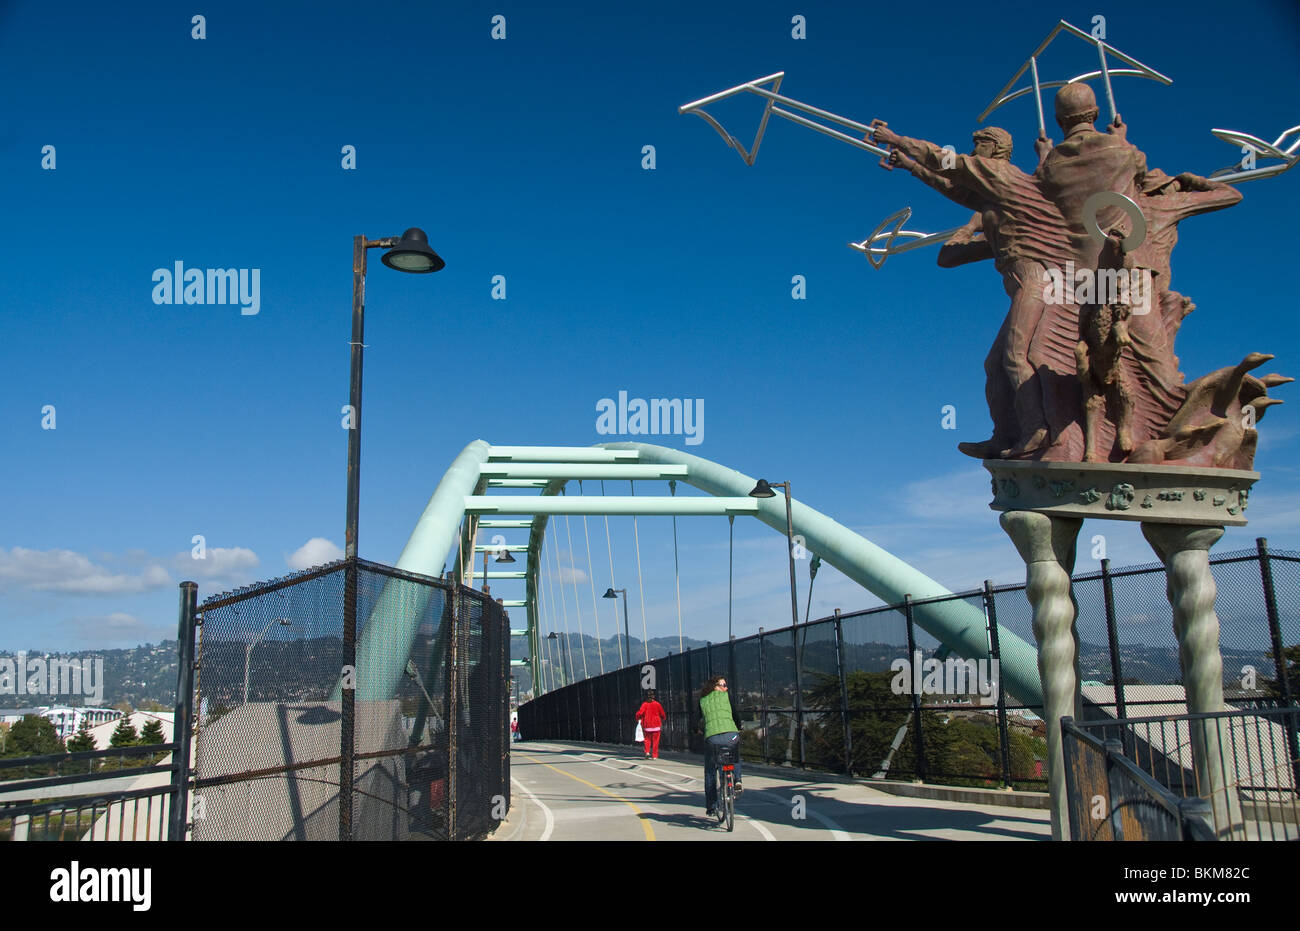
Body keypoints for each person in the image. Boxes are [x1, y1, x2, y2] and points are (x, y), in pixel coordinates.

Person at [697, 675, 743, 817]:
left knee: (710, 771)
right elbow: (736, 716)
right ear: (715, 686)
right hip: (731, 735)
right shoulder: (726, 697)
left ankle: (711, 806)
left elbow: (695, 721)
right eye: (723, 685)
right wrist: (739, 727)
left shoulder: (703, 701)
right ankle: (737, 779)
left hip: (712, 737)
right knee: (734, 756)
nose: (726, 687)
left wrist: (697, 730)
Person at [635, 690, 666, 759]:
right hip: (656, 725)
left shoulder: (644, 704)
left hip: (647, 725)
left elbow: (640, 713)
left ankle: (647, 752)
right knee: (656, 741)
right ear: (653, 696)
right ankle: (654, 755)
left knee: (647, 740)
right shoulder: (657, 704)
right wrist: (663, 718)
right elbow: (662, 713)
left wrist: (638, 718)